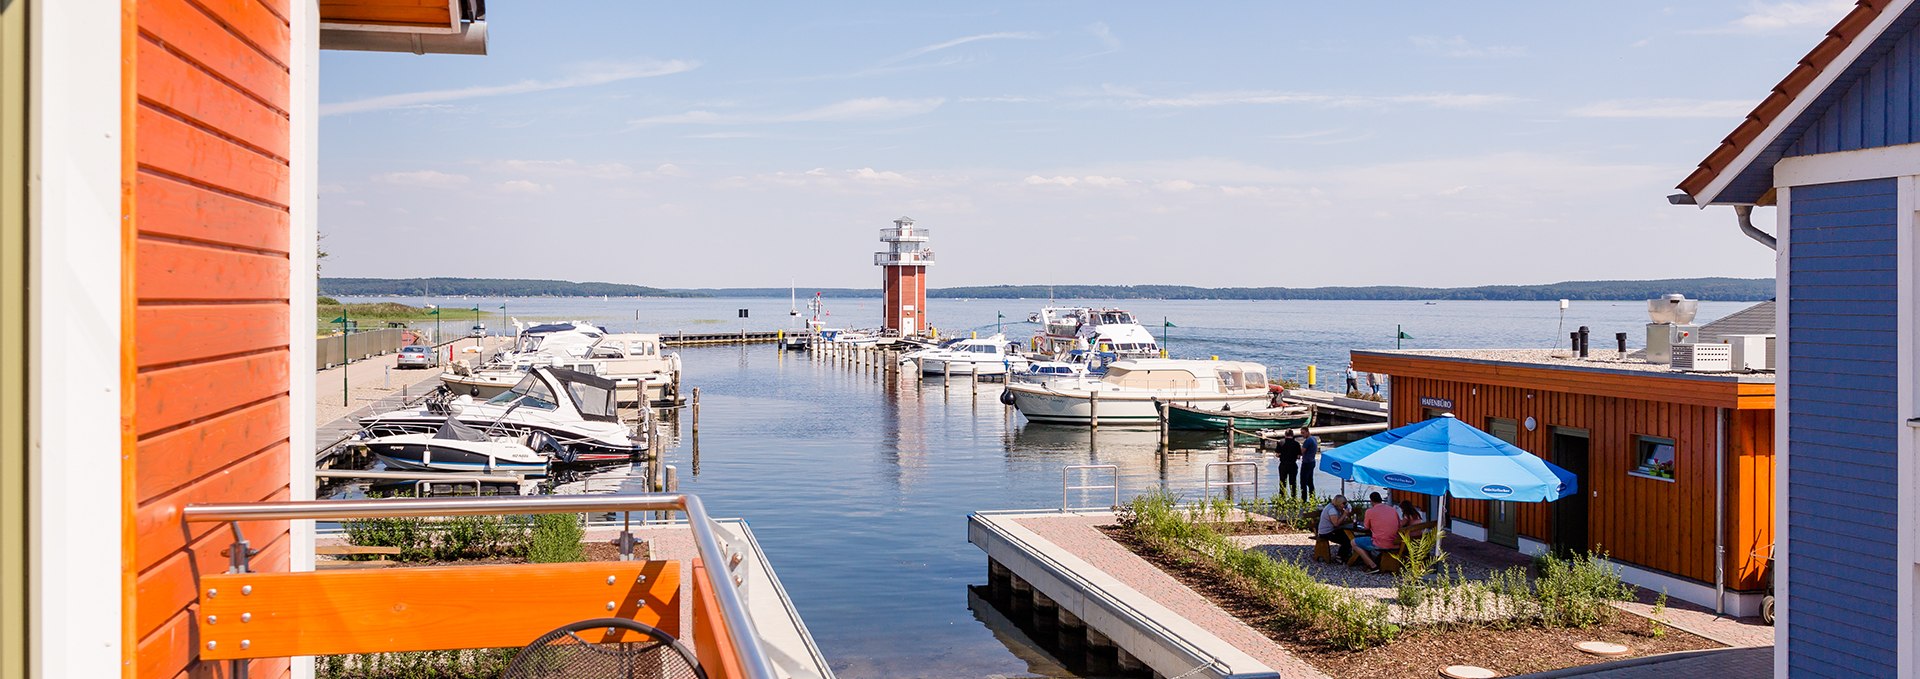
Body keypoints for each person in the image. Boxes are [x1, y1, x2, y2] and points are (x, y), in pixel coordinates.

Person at [1353, 492, 1403, 572]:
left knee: (1353, 542)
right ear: (1381, 499)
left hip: (1381, 543)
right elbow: (1399, 525)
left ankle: (1372, 565)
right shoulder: (1392, 510)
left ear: (1371, 501)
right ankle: (1372, 561)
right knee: (1370, 539)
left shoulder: (1370, 511)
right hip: (1395, 542)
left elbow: (1366, 527)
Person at [1316, 495, 1356, 563]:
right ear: (1339, 503)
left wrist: (1346, 514)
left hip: (1332, 530)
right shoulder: (1332, 510)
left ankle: (1348, 554)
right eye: (1343, 504)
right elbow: (1336, 524)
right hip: (1326, 532)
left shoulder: (1335, 508)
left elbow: (1339, 522)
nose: (1344, 505)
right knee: (1347, 539)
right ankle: (1340, 557)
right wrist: (1344, 514)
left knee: (1349, 535)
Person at [1299, 427, 1320, 497]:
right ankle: (1312, 497)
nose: (1302, 435)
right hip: (1312, 462)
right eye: (1301, 433)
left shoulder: (1308, 441)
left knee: (1303, 482)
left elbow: (1302, 452)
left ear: (1307, 432)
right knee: (1310, 481)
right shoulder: (1314, 439)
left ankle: (1303, 499)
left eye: (1303, 433)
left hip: (1307, 463)